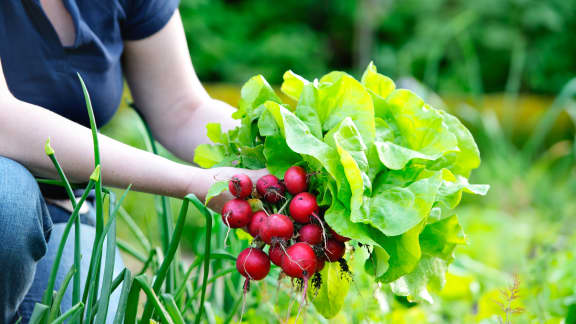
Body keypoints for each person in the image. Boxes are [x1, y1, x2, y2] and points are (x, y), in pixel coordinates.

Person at [0, 0, 265, 322]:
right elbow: (5, 122)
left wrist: (281, 143)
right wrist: (191, 182)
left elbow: (181, 107)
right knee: (8, 196)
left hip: (62, 211)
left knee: (87, 312)